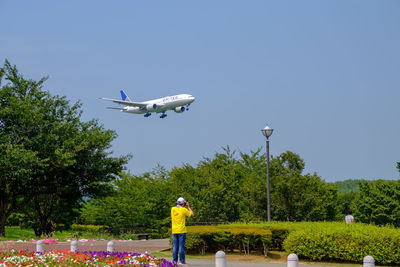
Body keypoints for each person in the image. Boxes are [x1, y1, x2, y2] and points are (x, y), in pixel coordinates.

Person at [171, 197, 194, 265]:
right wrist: (188, 206)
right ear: (183, 204)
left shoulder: (172, 209)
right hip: (181, 230)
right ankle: (182, 261)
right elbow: (192, 214)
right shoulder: (183, 210)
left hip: (174, 230)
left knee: (175, 247)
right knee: (181, 247)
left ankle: (174, 261)